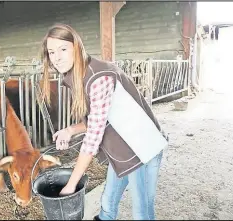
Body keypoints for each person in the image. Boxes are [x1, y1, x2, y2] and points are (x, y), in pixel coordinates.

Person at [39, 23, 168, 220]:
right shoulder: (77, 76)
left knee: (142, 211)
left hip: (143, 148)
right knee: (108, 203)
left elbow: (93, 137)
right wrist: (70, 130)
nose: (57, 57)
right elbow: (99, 119)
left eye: (63, 49)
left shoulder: (99, 77)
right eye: (51, 52)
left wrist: (72, 183)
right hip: (123, 150)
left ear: (77, 47)